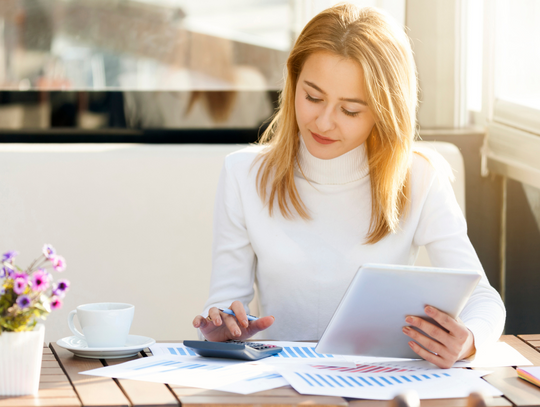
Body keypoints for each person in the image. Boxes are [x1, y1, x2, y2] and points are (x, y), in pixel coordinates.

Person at [192, 4, 505, 369]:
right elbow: (226, 305)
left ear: (385, 111)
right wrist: (221, 329)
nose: (323, 122)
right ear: (293, 82)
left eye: (351, 110)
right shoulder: (243, 173)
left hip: (383, 381)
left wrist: (468, 340)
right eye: (312, 97)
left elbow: (483, 300)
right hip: (281, 382)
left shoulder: (419, 176)